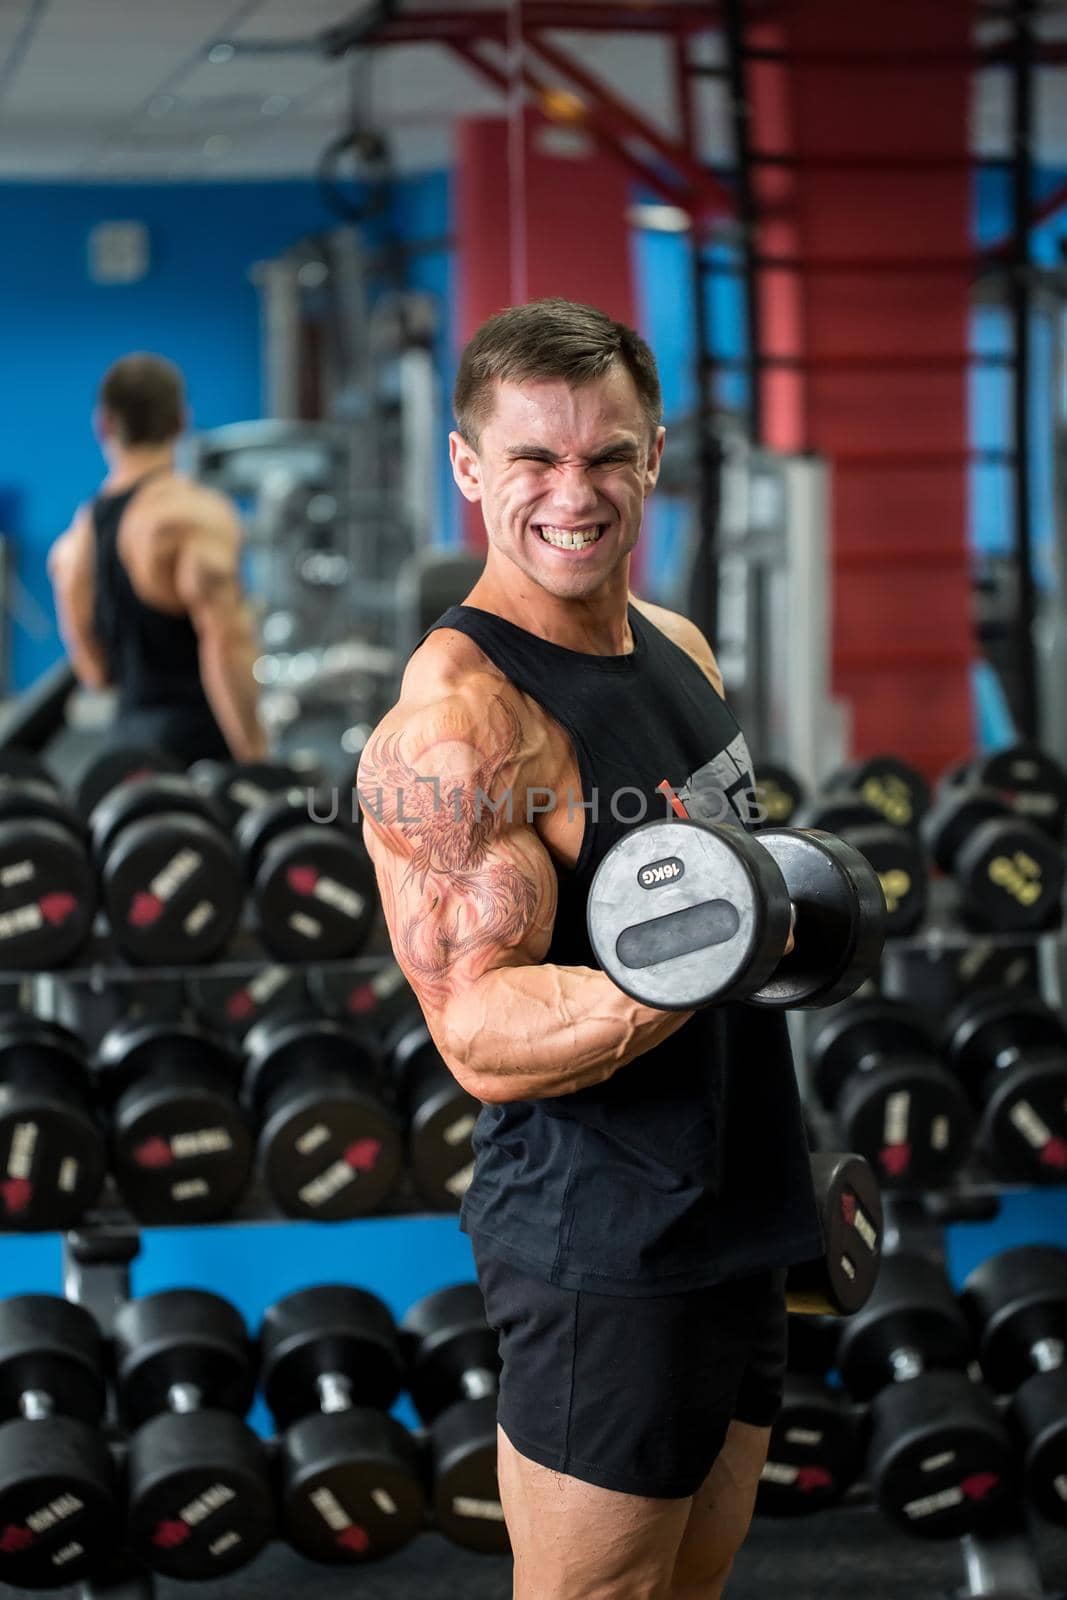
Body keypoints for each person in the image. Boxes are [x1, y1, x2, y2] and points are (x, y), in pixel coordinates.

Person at [358, 299, 822, 1599]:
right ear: (466, 468)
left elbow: (716, 901)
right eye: (534, 460)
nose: (577, 492)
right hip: (603, 1238)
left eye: (606, 455)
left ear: (653, 454)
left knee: (693, 1577)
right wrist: (690, 964)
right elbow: (479, 1035)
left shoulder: (673, 646)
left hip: (736, 1200)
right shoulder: (458, 724)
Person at [48, 352, 266, 764]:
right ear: (180, 422)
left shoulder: (75, 542)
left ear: (103, 425)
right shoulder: (196, 516)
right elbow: (225, 644)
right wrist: (254, 760)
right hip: (202, 750)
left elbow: (94, 673)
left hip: (124, 750)